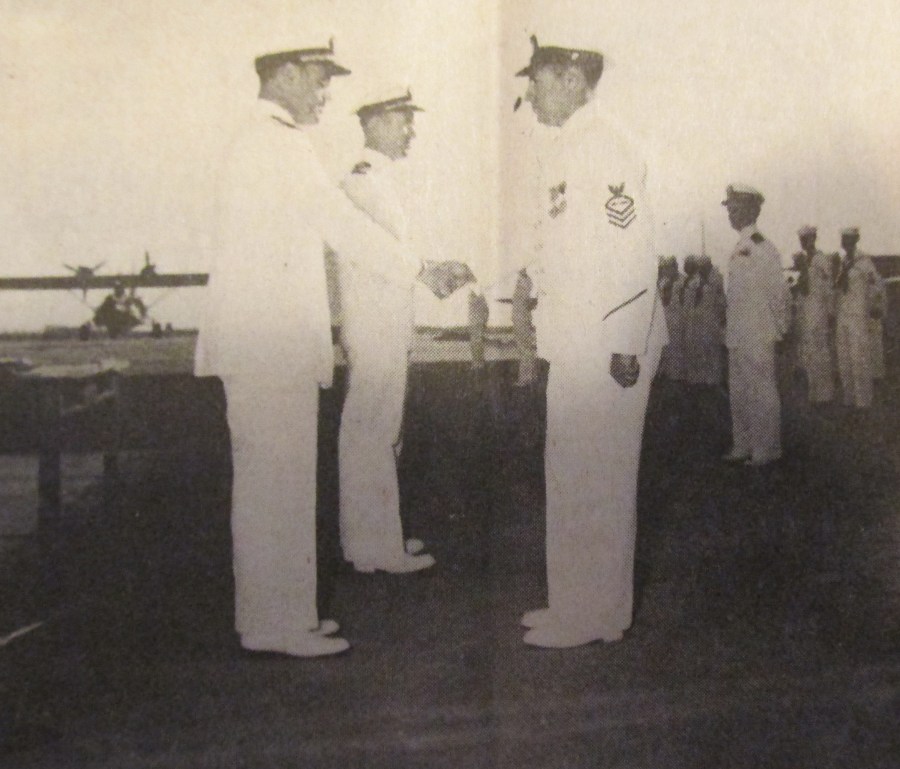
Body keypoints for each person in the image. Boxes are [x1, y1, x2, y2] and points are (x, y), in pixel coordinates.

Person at [195, 40, 420, 657]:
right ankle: (276, 625)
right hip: (270, 341)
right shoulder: (276, 143)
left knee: (277, 485)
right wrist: (419, 269)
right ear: (287, 73)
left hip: (265, 341)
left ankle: (277, 615)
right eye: (319, 80)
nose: (326, 93)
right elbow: (340, 224)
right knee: (276, 487)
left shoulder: (262, 140)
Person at [513, 34, 663, 648]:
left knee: (598, 479)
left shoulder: (604, 145)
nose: (530, 92)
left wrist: (626, 338)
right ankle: (573, 604)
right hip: (576, 338)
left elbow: (633, 246)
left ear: (574, 80)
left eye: (540, 80)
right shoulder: (569, 148)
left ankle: (597, 615)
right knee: (570, 473)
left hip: (608, 342)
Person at [337, 87, 437, 574]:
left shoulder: (381, 180)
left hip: (387, 319)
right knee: (372, 430)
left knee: (381, 430)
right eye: (402, 119)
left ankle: (374, 540)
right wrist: (427, 270)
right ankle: (376, 549)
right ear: (374, 121)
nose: (409, 130)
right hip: (373, 321)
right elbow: (374, 253)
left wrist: (430, 268)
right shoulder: (363, 180)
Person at [721, 184, 789, 467]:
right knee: (739, 392)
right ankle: (743, 444)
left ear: (750, 210)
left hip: (758, 331)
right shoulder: (740, 247)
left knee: (761, 390)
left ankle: (767, 449)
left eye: (735, 209)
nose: (731, 214)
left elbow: (778, 292)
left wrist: (781, 327)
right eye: (730, 209)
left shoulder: (762, 247)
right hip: (739, 332)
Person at [834, 227, 885, 408]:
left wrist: (875, 308)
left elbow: (876, 286)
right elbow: (838, 288)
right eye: (842, 238)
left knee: (859, 359)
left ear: (855, 240)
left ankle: (863, 403)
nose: (843, 242)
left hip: (858, 316)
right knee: (844, 359)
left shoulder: (864, 262)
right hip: (843, 315)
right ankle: (849, 399)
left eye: (847, 238)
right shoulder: (843, 262)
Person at [791, 225, 835, 403]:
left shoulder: (820, 260)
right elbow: (801, 289)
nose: (803, 242)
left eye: (806, 239)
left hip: (818, 311)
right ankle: (812, 393)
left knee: (820, 351)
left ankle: (824, 395)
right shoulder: (802, 261)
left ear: (813, 239)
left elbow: (827, 288)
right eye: (801, 239)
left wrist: (830, 312)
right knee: (807, 352)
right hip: (804, 310)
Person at [684, 255, 725, 386]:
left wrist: (721, 318)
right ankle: (699, 381)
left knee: (712, 353)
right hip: (696, 323)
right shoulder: (694, 281)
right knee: (698, 352)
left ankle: (714, 383)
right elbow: (690, 302)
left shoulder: (717, 279)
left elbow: (721, 302)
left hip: (711, 322)